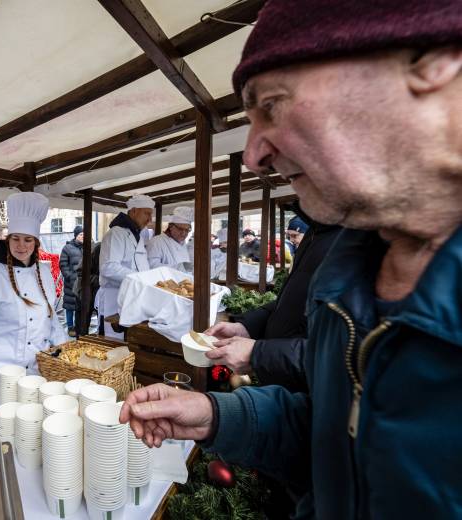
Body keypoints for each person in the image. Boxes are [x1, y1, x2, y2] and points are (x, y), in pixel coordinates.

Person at [120, 2, 462, 517]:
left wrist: (256, 354)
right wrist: (218, 414)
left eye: (272, 103)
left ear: (436, 64)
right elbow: (341, 445)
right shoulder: (349, 271)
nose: (254, 156)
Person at [205, 210, 342, 392]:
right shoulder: (317, 232)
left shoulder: (352, 240)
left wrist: (259, 355)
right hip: (281, 381)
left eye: (294, 235)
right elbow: (290, 303)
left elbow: (339, 355)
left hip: (309, 390)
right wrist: (247, 326)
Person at [0, 192, 67, 413]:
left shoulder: (44, 273)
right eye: (16, 239)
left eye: (28, 240)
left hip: (35, 375)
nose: (21, 246)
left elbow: (52, 320)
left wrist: (65, 351)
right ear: (7, 239)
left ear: (36, 242)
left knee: (30, 430)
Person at [98, 194, 154, 338]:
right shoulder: (116, 233)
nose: (150, 219)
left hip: (133, 299)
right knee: (113, 343)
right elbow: (108, 267)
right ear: (134, 211)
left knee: (129, 343)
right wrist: (139, 278)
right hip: (114, 298)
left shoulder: (137, 236)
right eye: (147, 213)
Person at [146, 206, 192, 272]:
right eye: (180, 229)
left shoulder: (183, 243)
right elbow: (151, 266)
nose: (183, 233)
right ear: (171, 227)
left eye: (187, 230)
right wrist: (179, 267)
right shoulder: (156, 242)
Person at [60, 225, 84, 336]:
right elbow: (63, 264)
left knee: (81, 306)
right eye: (81, 234)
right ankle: (70, 327)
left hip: (83, 282)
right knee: (70, 306)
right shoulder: (67, 248)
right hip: (71, 282)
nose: (83, 236)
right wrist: (69, 276)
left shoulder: (87, 247)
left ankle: (79, 326)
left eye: (84, 234)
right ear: (76, 236)